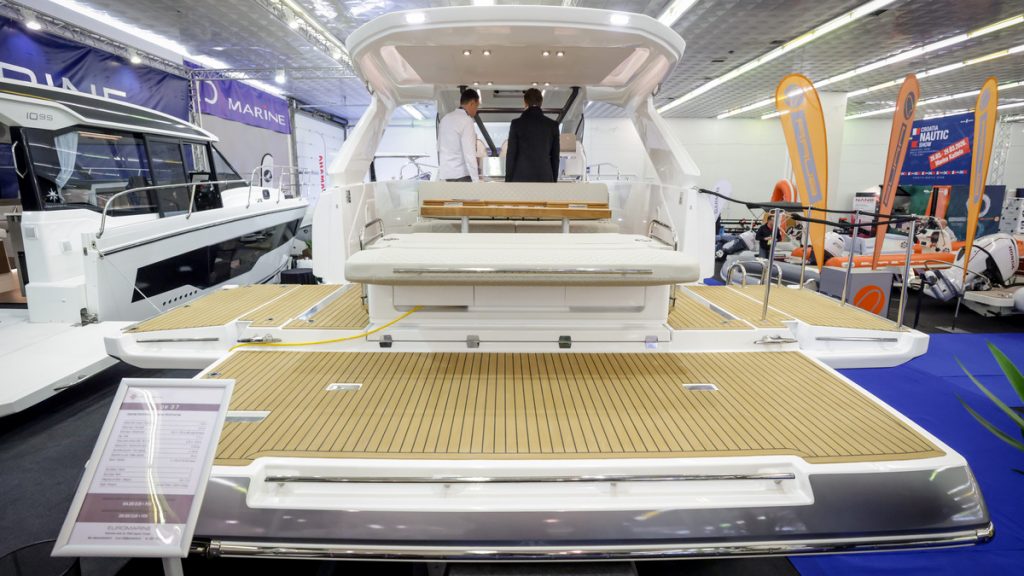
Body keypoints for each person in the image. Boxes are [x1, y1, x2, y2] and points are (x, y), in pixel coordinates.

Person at [505, 88, 560, 182]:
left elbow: (511, 154)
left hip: (521, 178)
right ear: (541, 102)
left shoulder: (516, 124)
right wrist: (554, 180)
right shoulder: (552, 125)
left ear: (525, 102)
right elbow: (555, 157)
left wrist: (508, 180)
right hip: (545, 177)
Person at [438, 89, 481, 182]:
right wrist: (476, 181)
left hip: (446, 175)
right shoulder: (466, 121)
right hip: (462, 176)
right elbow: (469, 153)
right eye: (477, 106)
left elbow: (439, 147)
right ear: (472, 103)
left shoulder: (445, 119)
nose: (476, 110)